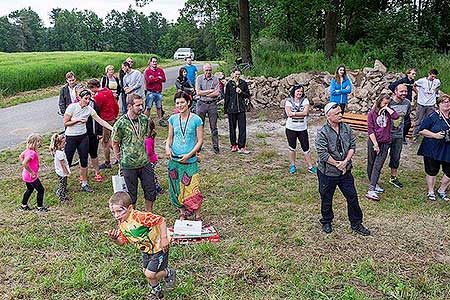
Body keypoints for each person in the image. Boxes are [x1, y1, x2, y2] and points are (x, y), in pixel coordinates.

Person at [106, 192, 176, 300]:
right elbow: (122, 242)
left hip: (158, 247)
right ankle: (157, 292)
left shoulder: (140, 217)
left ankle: (168, 273)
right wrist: (115, 239)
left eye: (119, 211)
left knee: (150, 274)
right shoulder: (122, 223)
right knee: (146, 272)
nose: (116, 215)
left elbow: (161, 220)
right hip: (146, 250)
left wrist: (163, 238)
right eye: (113, 212)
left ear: (129, 208)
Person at [315, 102, 370, 236]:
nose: (341, 115)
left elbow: (352, 146)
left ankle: (356, 223)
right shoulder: (322, 132)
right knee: (326, 198)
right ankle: (327, 221)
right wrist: (338, 164)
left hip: (345, 171)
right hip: (327, 172)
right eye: (337, 113)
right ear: (328, 116)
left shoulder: (347, 128)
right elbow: (323, 154)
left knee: (352, 197)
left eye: (341, 112)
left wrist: (345, 162)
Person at [112, 94, 157, 212]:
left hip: (144, 161)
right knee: (131, 195)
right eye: (138, 105)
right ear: (129, 106)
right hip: (128, 164)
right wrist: (119, 160)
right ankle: (133, 216)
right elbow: (115, 143)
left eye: (141, 104)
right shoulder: (121, 123)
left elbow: (148, 135)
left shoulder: (144, 120)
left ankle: (149, 213)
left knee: (150, 189)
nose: (141, 107)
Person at [64, 89, 113, 192]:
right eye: (85, 99)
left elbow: (100, 120)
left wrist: (112, 128)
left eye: (89, 98)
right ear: (79, 98)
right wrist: (77, 120)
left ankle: (84, 183)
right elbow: (65, 123)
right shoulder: (72, 107)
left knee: (84, 159)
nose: (87, 101)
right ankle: (63, 185)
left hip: (83, 136)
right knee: (67, 160)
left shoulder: (89, 109)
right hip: (71, 137)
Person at [165, 91, 204, 220]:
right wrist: (167, 148)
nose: (180, 105)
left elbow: (200, 141)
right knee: (176, 185)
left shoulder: (196, 120)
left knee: (193, 187)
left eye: (182, 102)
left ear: (188, 102)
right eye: (177, 103)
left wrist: (189, 155)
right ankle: (182, 212)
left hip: (190, 160)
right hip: (175, 160)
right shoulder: (172, 119)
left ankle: (197, 215)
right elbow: (169, 138)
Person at [366, 94, 399, 201]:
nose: (386, 105)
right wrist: (375, 144)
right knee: (371, 162)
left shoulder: (388, 112)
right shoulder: (372, 114)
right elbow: (370, 130)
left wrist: (387, 108)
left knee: (378, 165)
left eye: (388, 103)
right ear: (379, 102)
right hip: (374, 141)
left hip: (385, 142)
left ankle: (372, 188)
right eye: (384, 103)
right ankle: (373, 184)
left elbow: (396, 117)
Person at [417, 94, 450, 201]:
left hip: (448, 148)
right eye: (444, 102)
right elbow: (422, 130)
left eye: (448, 102)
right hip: (432, 148)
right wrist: (435, 135)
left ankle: (442, 189)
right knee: (432, 170)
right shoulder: (432, 116)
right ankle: (431, 191)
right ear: (439, 104)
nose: (447, 104)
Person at [283, 84, 317, 174]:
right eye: (298, 91)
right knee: (292, 147)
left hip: (302, 128)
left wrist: (294, 113)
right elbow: (288, 114)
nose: (300, 93)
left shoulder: (305, 100)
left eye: (301, 91)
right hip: (291, 128)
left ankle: (310, 166)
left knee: (306, 148)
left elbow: (305, 113)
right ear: (294, 92)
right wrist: (299, 114)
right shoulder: (288, 101)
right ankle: (293, 165)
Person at [87, 79, 120, 170]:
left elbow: (95, 109)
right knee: (110, 140)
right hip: (112, 117)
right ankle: (119, 155)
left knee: (105, 142)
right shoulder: (108, 91)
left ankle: (107, 162)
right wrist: (115, 115)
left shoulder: (98, 96)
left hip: (105, 120)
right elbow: (115, 105)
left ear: (93, 87)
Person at [388, 84, 411, 188]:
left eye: (405, 91)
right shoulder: (389, 102)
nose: (404, 93)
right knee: (380, 157)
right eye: (401, 91)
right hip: (386, 135)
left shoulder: (407, 103)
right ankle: (374, 178)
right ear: (395, 92)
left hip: (398, 135)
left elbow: (405, 117)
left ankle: (393, 177)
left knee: (396, 156)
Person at [224, 68, 251, 154]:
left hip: (241, 109)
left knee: (242, 128)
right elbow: (226, 97)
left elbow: (248, 95)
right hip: (231, 109)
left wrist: (241, 92)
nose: (237, 76)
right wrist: (226, 110)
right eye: (236, 74)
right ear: (232, 74)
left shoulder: (243, 83)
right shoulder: (229, 84)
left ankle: (242, 146)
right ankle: (233, 145)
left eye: (239, 74)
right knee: (232, 128)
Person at [196, 63, 221, 154]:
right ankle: (198, 145)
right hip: (201, 104)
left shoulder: (215, 79)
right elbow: (198, 92)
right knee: (199, 126)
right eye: (206, 70)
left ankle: (215, 145)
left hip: (212, 104)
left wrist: (205, 93)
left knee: (213, 126)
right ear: (203, 70)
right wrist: (209, 91)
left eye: (210, 70)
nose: (208, 72)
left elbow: (217, 93)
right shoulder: (199, 78)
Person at [19, 134, 47, 212]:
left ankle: (23, 205)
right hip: (31, 176)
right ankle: (40, 207)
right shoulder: (32, 153)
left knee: (29, 189)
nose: (40, 144)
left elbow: (21, 156)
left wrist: (27, 169)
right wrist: (31, 172)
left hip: (26, 175)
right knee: (41, 190)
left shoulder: (27, 150)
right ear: (36, 142)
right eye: (40, 142)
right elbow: (24, 163)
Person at [388, 68, 416, 143]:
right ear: (408, 74)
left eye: (415, 74)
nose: (414, 75)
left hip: (406, 102)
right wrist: (397, 94)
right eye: (413, 74)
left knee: (407, 123)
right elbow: (391, 86)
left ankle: (402, 136)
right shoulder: (403, 81)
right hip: (399, 102)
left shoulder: (412, 81)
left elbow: (412, 88)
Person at [413, 69, 441, 140]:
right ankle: (415, 135)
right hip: (421, 103)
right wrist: (418, 93)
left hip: (431, 104)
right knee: (418, 120)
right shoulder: (422, 81)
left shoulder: (437, 81)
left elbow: (438, 86)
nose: (433, 78)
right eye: (432, 76)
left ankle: (428, 135)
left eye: (435, 77)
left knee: (430, 120)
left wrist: (435, 91)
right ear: (429, 74)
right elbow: (414, 85)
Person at [144, 56, 167, 126]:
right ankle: (145, 121)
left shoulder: (160, 70)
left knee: (159, 107)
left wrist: (154, 78)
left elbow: (164, 79)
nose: (155, 63)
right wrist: (158, 78)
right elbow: (149, 81)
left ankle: (160, 120)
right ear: (150, 63)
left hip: (158, 92)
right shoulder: (147, 71)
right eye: (153, 62)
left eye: (156, 62)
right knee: (148, 107)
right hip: (150, 92)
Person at [49, 133, 71, 202]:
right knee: (63, 185)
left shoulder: (58, 151)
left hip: (59, 171)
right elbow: (63, 164)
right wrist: (66, 172)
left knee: (63, 183)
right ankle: (62, 197)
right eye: (64, 143)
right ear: (58, 144)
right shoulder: (60, 153)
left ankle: (60, 192)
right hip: (62, 172)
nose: (65, 143)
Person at [145, 119, 163, 195]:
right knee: (152, 175)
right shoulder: (150, 137)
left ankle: (155, 189)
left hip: (150, 160)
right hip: (152, 159)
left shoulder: (148, 139)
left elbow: (149, 151)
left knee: (150, 176)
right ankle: (157, 187)